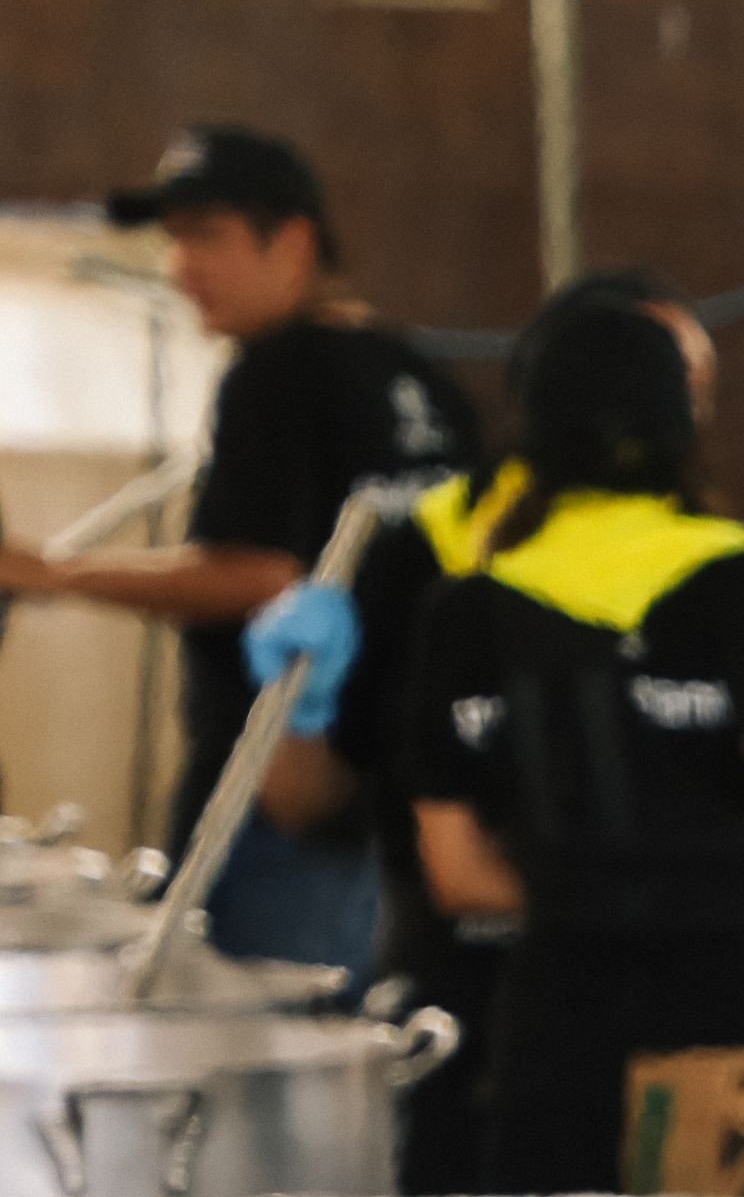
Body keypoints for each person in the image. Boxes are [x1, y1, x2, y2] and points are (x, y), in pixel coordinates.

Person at [403, 301, 744, 1191]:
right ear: (685, 427)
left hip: (554, 1025)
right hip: (735, 1010)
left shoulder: (462, 611)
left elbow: (454, 871)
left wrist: (596, 894)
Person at [260, 269, 708, 1193]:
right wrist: (293, 709)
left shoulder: (716, 574)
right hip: (469, 1005)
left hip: (681, 1014)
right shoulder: (425, 556)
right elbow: (305, 800)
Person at [0, 127, 472, 973]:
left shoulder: (275, 374)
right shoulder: (419, 378)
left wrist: (51, 574)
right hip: (401, 804)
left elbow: (263, 574)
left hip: (277, 796)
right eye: (175, 240)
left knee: (253, 1058)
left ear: (292, 242)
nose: (182, 267)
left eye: (207, 238)